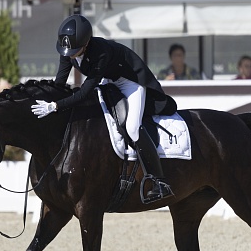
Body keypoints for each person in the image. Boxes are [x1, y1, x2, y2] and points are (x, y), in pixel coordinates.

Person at [30, 14, 175, 203]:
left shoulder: (101, 52)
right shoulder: (68, 49)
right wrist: (45, 100)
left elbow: (84, 92)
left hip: (130, 81)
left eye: (74, 50)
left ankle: (158, 181)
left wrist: (56, 106)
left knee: (132, 127)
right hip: (108, 79)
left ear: (87, 43)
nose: (70, 55)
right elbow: (60, 83)